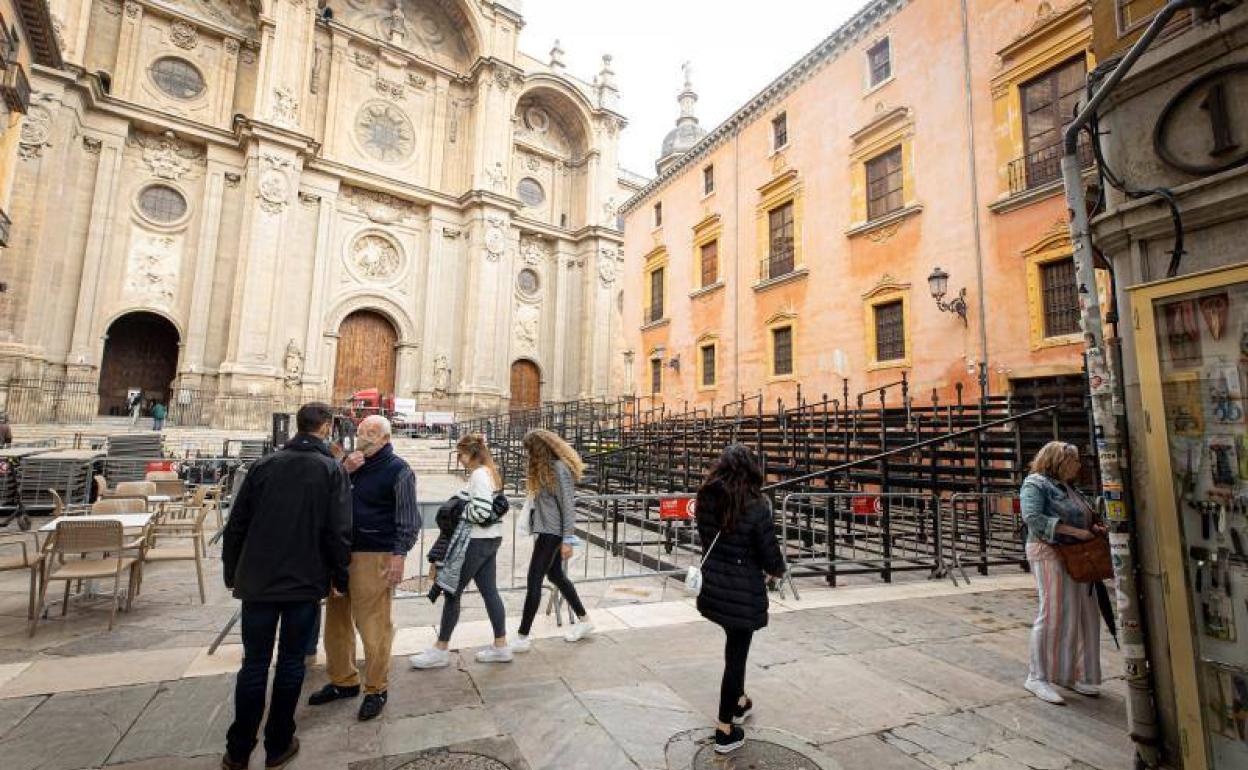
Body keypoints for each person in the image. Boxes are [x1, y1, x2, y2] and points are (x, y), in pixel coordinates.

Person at [221, 403, 352, 770]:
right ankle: (278, 744)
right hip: (304, 583)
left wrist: (233, 572)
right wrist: (340, 578)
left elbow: (237, 525)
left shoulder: (264, 466)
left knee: (254, 665)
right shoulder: (330, 470)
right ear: (326, 428)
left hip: (258, 582)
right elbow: (338, 532)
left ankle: (238, 750)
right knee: (292, 663)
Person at [308, 415, 419, 721]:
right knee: (337, 622)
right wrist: (344, 471)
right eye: (360, 431)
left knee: (373, 626)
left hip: (374, 554)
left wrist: (399, 554)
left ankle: (376, 688)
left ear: (385, 438)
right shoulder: (348, 465)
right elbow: (326, 500)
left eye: (371, 432)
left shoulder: (399, 469)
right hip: (340, 553)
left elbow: (408, 517)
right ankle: (343, 680)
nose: (364, 437)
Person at [694, 444, 785, 755]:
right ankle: (724, 728)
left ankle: (740, 701)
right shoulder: (756, 504)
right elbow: (768, 550)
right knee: (736, 656)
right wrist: (776, 570)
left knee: (735, 650)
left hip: (715, 586)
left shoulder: (705, 497)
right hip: (742, 590)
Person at [409, 433, 511, 668]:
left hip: (475, 541)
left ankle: (440, 650)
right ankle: (501, 645)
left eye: (462, 455)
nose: (460, 460)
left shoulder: (478, 475)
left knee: (451, 590)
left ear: (472, 454)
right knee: (489, 592)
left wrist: (458, 511)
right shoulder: (490, 472)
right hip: (490, 539)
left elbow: (481, 512)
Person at [1019, 440, 1105, 705]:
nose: (1079, 466)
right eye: (1074, 461)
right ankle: (1037, 676)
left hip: (1078, 556)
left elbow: (1084, 515)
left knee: (1084, 614)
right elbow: (1032, 517)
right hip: (1050, 552)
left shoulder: (1069, 487)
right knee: (1054, 611)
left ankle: (1072, 674)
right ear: (1058, 461)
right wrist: (1075, 531)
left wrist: (1094, 526)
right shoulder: (1036, 483)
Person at [511, 429, 593, 651]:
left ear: (539, 449)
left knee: (534, 580)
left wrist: (567, 539)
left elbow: (568, 506)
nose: (528, 456)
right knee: (555, 575)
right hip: (547, 531)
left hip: (553, 533)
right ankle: (585, 621)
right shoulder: (547, 469)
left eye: (530, 451)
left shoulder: (558, 469)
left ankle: (522, 636)